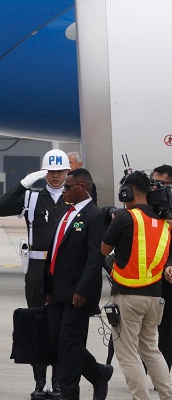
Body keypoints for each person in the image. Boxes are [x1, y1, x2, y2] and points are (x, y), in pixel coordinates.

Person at [0, 148, 70, 398]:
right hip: (37, 268)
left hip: (65, 270)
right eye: (51, 171)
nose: (55, 176)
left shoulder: (75, 198)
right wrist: (23, 184)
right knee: (38, 324)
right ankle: (39, 382)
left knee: (61, 327)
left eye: (59, 171)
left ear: (67, 172)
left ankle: (57, 382)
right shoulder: (32, 197)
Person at [103, 171, 172, 400]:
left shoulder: (125, 218)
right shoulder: (164, 224)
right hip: (155, 297)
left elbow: (103, 250)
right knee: (151, 350)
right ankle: (167, 395)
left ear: (127, 191)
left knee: (128, 354)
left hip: (127, 296)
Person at [43, 168, 111, 400]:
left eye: (68, 186)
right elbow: (55, 252)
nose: (63, 190)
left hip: (77, 294)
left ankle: (69, 393)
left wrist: (83, 290)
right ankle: (98, 373)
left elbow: (95, 258)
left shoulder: (94, 215)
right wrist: (49, 288)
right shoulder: (68, 212)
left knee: (70, 343)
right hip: (57, 291)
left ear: (82, 187)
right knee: (56, 340)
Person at [151, 164, 172, 370]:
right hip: (145, 278)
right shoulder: (144, 207)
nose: (155, 188)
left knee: (167, 328)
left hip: (167, 278)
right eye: (152, 183)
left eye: (161, 183)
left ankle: (163, 371)